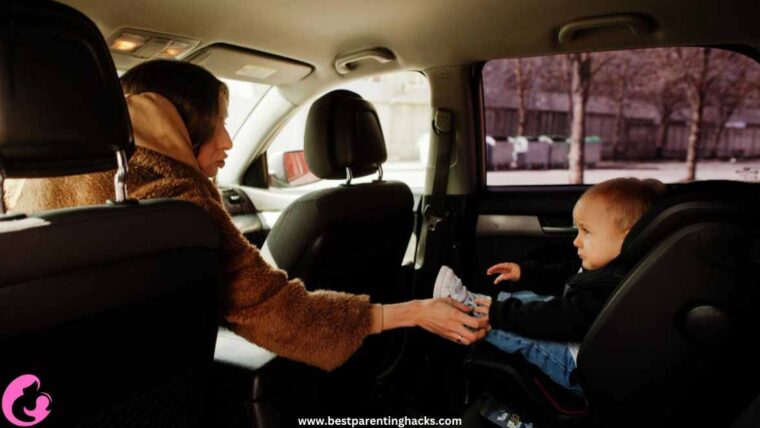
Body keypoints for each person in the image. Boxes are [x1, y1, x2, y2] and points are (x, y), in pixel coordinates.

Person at [5, 59, 488, 371]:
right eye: (220, 123)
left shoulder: (22, 204)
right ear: (178, 126)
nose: (229, 142)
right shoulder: (183, 210)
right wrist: (414, 311)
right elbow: (281, 313)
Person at [433, 177, 665, 394]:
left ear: (629, 237)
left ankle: (474, 315)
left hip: (577, 366)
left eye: (586, 232)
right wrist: (525, 273)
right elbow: (566, 277)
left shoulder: (611, 289)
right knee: (526, 298)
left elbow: (561, 318)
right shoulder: (609, 267)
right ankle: (486, 305)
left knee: (525, 333)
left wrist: (499, 315)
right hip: (581, 338)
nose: (577, 240)